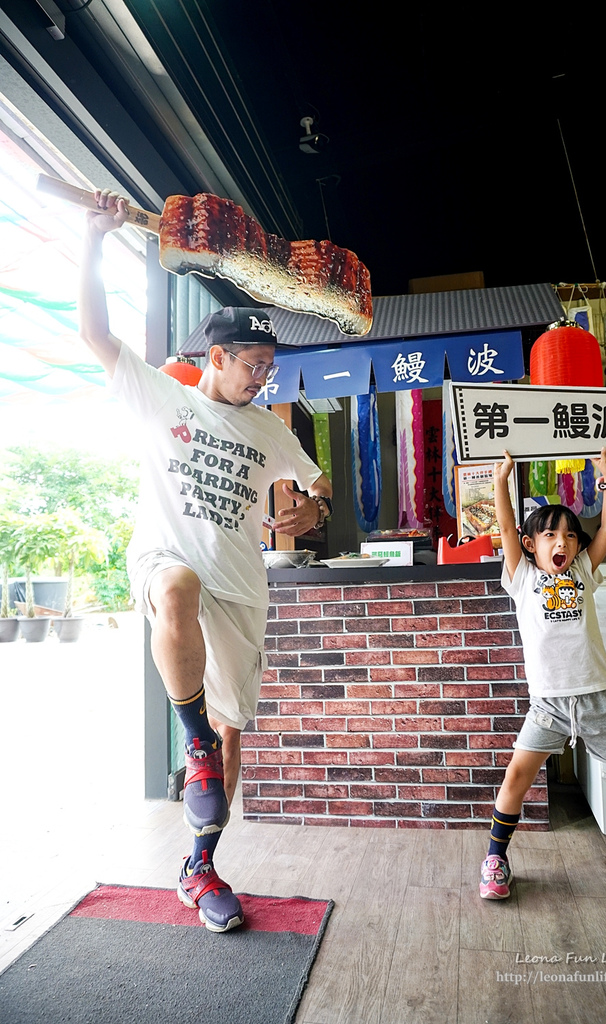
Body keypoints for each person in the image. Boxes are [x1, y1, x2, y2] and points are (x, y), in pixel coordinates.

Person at [80, 190, 333, 932]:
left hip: (241, 587)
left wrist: (311, 513)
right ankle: (187, 736)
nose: (262, 377)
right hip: (171, 561)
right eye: (253, 364)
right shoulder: (166, 400)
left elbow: (318, 490)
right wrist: (94, 240)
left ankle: (201, 866)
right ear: (216, 358)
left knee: (232, 739)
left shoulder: (268, 429)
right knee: (176, 587)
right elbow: (93, 332)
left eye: (269, 367)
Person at [479, 448, 606, 900]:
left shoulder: (584, 570)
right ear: (532, 545)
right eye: (550, 535)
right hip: (547, 703)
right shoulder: (522, 577)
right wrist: (500, 481)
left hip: (599, 697)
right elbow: (507, 527)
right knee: (515, 779)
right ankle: (495, 859)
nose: (562, 543)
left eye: (570, 535)